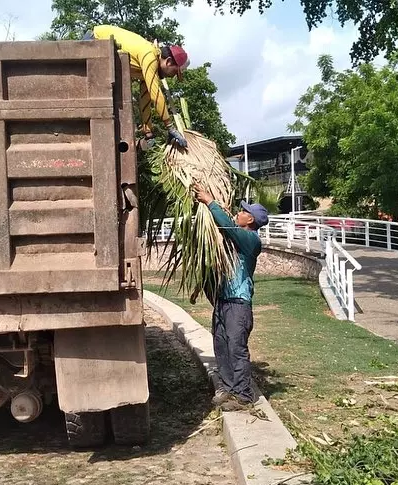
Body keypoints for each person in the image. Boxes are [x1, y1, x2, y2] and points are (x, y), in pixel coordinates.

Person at [193, 184, 268, 411]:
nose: (239, 212)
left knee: (236, 349)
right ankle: (227, 389)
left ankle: (243, 396)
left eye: (244, 212)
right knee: (221, 346)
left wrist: (209, 201)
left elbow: (227, 227)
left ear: (251, 221)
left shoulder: (250, 239)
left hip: (238, 305)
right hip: (223, 302)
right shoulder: (236, 242)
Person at [83, 25, 189, 149]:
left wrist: (148, 133)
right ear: (169, 62)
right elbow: (156, 95)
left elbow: (146, 99)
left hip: (103, 52)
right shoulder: (149, 55)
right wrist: (170, 126)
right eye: (175, 72)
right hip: (95, 41)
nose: (173, 76)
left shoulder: (150, 66)